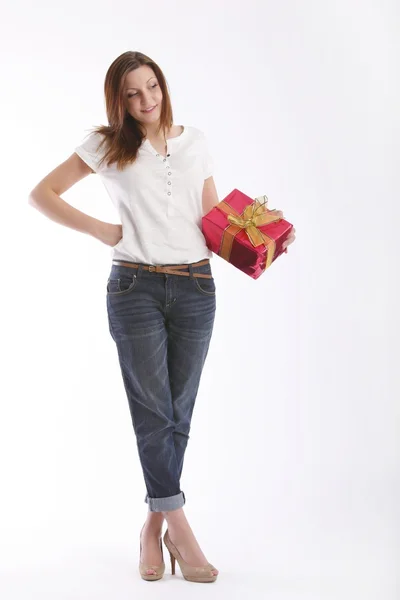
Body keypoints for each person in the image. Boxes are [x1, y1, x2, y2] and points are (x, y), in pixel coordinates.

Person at [28, 50, 296, 584]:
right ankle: (180, 525)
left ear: (163, 86)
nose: (146, 99)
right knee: (153, 412)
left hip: (197, 285)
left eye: (152, 86)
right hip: (135, 287)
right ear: (119, 100)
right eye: (133, 92)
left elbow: (213, 220)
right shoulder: (105, 145)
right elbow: (42, 194)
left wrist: (261, 241)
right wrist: (103, 231)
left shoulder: (195, 141)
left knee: (177, 413)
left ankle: (152, 528)